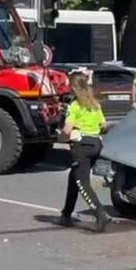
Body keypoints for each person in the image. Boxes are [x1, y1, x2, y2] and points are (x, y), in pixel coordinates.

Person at [56, 72, 110, 233]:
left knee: (82, 183)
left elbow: (67, 129)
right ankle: (66, 214)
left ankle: (101, 215)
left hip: (81, 146)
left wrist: (61, 135)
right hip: (96, 144)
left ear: (73, 88)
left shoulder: (75, 105)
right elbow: (104, 125)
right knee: (74, 177)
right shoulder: (94, 104)